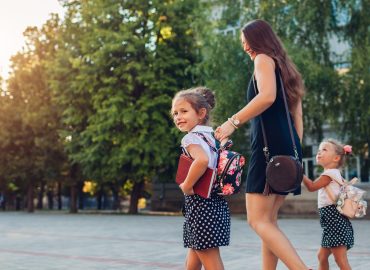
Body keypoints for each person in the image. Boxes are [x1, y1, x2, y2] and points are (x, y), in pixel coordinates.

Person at [215, 19, 310, 269]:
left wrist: (232, 122)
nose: (245, 46)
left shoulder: (263, 60)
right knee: (269, 221)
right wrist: (295, 152)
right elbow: (297, 116)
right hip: (287, 150)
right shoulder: (288, 70)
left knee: (257, 221)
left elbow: (267, 96)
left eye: (246, 40)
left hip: (268, 150)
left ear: (259, 39)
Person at [171, 87, 230, 270]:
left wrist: (187, 185)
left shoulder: (190, 139)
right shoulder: (213, 137)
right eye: (175, 113)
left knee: (211, 259)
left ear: (201, 113)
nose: (178, 117)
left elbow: (202, 160)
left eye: (184, 111)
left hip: (200, 204)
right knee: (195, 257)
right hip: (215, 202)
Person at [303, 139, 354, 270]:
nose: (319, 152)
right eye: (319, 150)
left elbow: (311, 186)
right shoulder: (335, 174)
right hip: (333, 223)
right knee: (322, 256)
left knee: (340, 260)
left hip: (335, 222)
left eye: (324, 150)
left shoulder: (329, 174)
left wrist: (299, 173)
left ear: (336, 158)